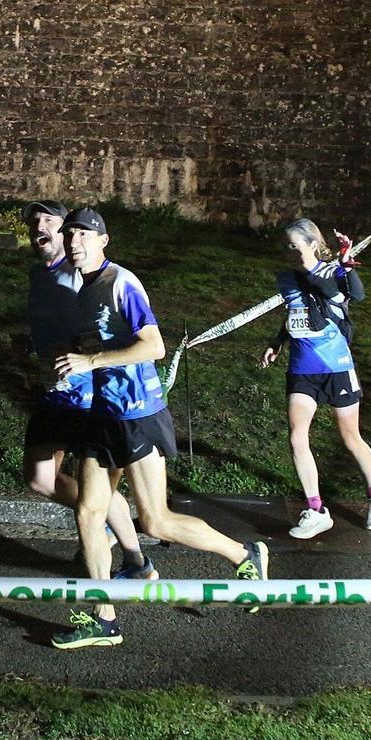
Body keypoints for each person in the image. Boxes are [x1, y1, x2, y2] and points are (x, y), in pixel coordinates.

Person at [49, 208, 269, 650]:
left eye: (84, 235)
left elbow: (154, 346)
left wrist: (90, 361)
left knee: (155, 520)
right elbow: (95, 340)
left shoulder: (120, 283)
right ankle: (104, 619)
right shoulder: (80, 287)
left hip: (137, 414)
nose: (74, 242)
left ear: (103, 241)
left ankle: (244, 554)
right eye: (69, 234)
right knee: (88, 512)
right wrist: (71, 360)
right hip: (102, 413)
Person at [18, 199, 152, 581]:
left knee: (94, 494)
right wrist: (31, 347)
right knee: (39, 478)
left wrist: (88, 360)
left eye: (49, 221)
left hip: (85, 394)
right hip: (52, 389)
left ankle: (134, 558)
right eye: (34, 221)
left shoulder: (82, 274)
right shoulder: (38, 274)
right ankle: (106, 522)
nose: (39, 227)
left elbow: (107, 328)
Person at [260, 218, 371, 539]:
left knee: (350, 438)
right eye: (285, 246)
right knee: (296, 436)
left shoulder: (332, 272)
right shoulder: (285, 278)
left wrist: (344, 263)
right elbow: (295, 312)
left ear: (312, 244)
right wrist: (278, 342)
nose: (289, 251)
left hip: (337, 367)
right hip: (302, 369)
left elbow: (354, 295)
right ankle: (316, 510)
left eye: (295, 245)